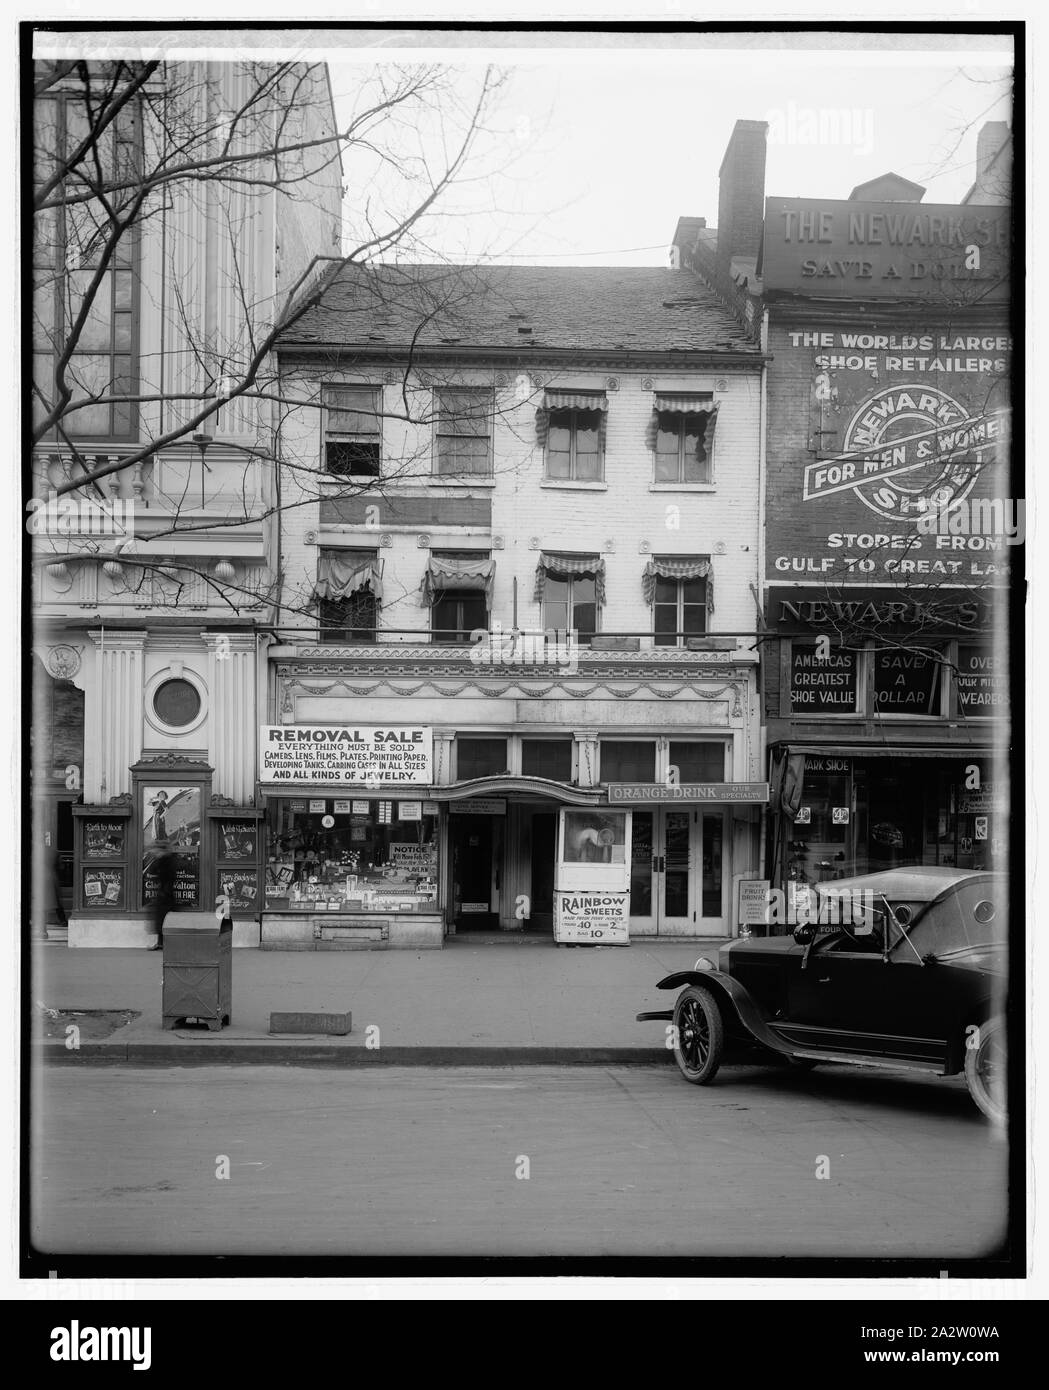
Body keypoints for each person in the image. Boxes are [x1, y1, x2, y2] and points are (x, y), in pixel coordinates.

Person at [149, 841, 178, 950]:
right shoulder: (163, 860)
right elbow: (153, 870)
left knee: (165, 921)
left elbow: (169, 877)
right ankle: (161, 943)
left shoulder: (168, 861)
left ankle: (166, 944)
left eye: (156, 850)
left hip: (166, 895)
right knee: (161, 920)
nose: (154, 852)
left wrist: (164, 893)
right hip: (164, 894)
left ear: (161, 850)